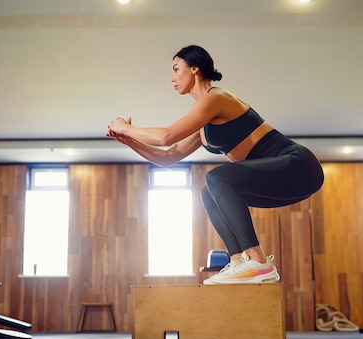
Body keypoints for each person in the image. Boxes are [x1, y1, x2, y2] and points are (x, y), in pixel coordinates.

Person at [107, 45, 324, 285]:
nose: (172, 78)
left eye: (176, 69)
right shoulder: (204, 125)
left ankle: (259, 263)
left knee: (217, 178)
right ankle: (240, 261)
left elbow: (165, 136)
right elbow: (168, 156)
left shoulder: (217, 98)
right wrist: (129, 141)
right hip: (284, 181)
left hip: (298, 166)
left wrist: (124, 127)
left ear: (195, 69)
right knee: (208, 192)